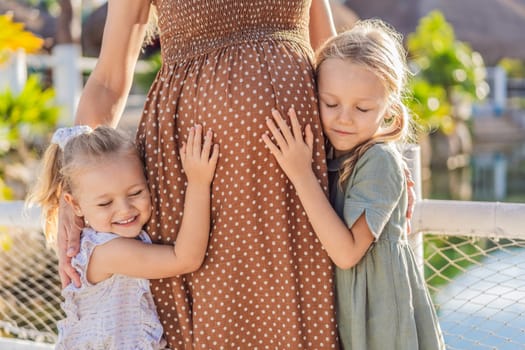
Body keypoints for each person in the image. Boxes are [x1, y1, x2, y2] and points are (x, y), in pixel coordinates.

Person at [56, 1, 340, 348]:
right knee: (214, 315)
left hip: (297, 176)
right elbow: (108, 79)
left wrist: (374, 153)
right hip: (194, 179)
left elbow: (332, 55)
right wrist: (68, 187)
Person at [262, 19, 445, 350]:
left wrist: (301, 174)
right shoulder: (329, 153)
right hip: (347, 310)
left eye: (362, 108)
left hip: (381, 319)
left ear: (389, 109)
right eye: (330, 104)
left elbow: (346, 253)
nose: (343, 118)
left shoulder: (379, 161)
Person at [27, 125, 218, 349]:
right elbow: (186, 258)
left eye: (136, 193)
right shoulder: (107, 252)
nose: (125, 209)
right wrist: (198, 182)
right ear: (75, 205)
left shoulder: (109, 242)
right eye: (105, 203)